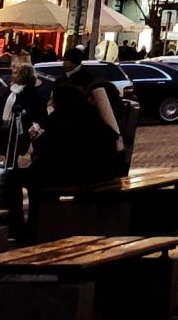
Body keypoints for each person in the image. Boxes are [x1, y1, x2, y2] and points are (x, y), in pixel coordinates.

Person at [26, 46, 126, 209]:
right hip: (96, 172)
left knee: (29, 178)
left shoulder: (65, 119)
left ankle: (36, 220)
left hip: (75, 175)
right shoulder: (93, 119)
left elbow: (47, 149)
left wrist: (38, 137)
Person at [0, 52, 52, 235]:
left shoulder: (30, 94)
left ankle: (16, 219)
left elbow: (37, 114)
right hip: (8, 131)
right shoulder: (9, 91)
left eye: (16, 73)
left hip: (20, 133)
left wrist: (29, 121)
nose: (12, 76)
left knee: (15, 170)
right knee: (9, 163)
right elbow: (2, 107)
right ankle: (9, 170)